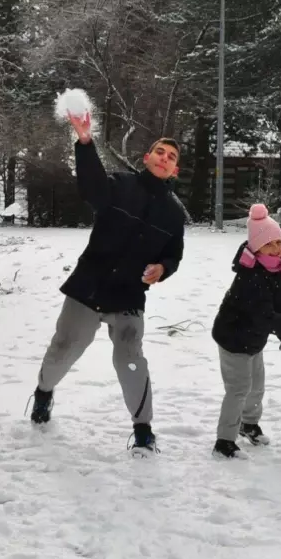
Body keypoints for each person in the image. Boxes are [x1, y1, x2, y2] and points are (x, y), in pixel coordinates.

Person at [28, 110, 185, 454]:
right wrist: (85, 142)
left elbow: (174, 254)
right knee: (63, 350)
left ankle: (143, 430)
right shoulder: (120, 185)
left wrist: (163, 268)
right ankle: (43, 392)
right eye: (160, 152)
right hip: (89, 286)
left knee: (131, 361)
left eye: (171, 157)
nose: (164, 158)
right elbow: (91, 186)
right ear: (146, 158)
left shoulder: (174, 213)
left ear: (175, 170)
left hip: (128, 297)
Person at [210, 204, 281, 459]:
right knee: (238, 389)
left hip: (253, 338)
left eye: (279, 242)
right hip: (233, 338)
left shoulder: (277, 268)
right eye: (269, 244)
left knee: (256, 386)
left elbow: (277, 307)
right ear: (257, 248)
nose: (277, 248)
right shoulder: (250, 276)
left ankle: (248, 424)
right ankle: (224, 441)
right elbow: (262, 314)